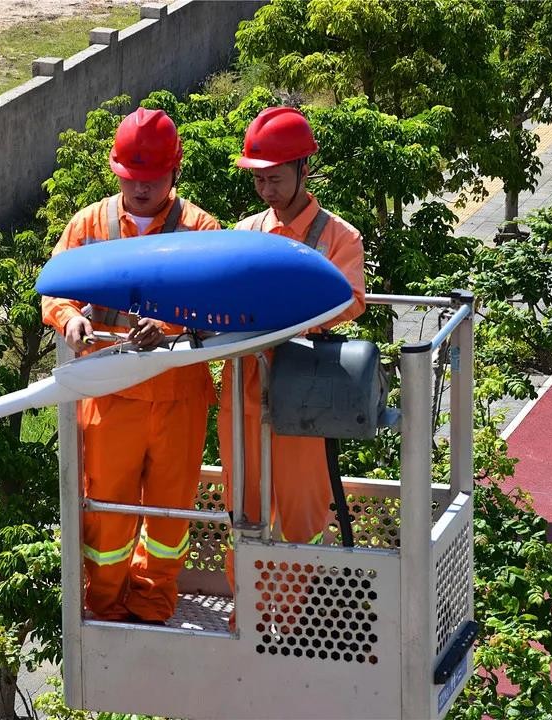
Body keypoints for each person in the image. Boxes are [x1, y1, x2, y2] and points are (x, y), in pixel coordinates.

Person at [42, 107, 219, 623]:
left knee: (170, 514)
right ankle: (106, 606)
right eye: (132, 178)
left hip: (176, 394)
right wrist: (68, 318)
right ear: (118, 173)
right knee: (108, 514)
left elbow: (217, 307)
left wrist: (165, 328)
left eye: (153, 177)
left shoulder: (200, 229)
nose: (141, 188)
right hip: (110, 391)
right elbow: (55, 288)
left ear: (174, 173)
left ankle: (152, 602)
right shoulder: (90, 224)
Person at [219, 106, 367, 595]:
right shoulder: (244, 233)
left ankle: (295, 617)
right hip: (243, 387)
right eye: (259, 180)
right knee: (244, 507)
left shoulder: (338, 237)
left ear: (304, 169)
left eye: (275, 178)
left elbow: (350, 300)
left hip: (303, 387)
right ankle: (251, 614)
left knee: (301, 513)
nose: (266, 190)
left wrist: (283, 317)